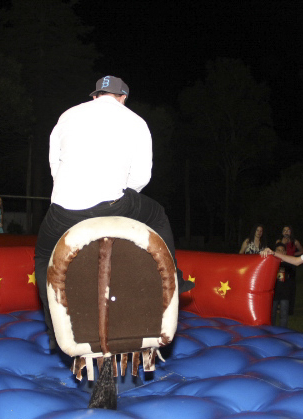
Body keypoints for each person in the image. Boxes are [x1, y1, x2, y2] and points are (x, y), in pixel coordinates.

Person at [34, 75, 194, 351]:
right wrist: (119, 200)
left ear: (95, 95)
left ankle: (53, 328)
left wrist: (69, 194)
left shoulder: (67, 115)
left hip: (64, 209)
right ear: (123, 98)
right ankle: (173, 278)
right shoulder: (136, 121)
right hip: (112, 203)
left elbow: (54, 165)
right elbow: (141, 178)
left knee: (42, 257)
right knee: (157, 215)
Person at [271, 242, 296, 328]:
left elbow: (292, 278)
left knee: (284, 314)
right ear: (275, 251)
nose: (280, 252)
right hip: (274, 292)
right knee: (272, 314)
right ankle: (271, 331)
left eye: (282, 250)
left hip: (285, 292)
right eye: (278, 250)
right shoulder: (271, 262)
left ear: (285, 252)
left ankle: (283, 332)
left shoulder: (289, 263)